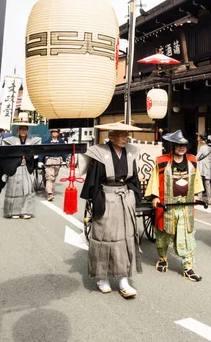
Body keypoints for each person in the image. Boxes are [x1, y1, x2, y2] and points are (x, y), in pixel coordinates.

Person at [80, 123, 142, 297]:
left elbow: (134, 178)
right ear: (111, 137)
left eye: (126, 135)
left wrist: (134, 196)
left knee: (126, 238)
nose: (125, 138)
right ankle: (103, 277)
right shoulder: (100, 153)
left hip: (125, 198)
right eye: (121, 135)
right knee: (105, 238)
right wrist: (98, 203)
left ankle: (124, 279)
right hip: (106, 197)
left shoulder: (130, 153)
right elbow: (93, 181)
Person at [145, 130, 204, 282]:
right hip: (167, 205)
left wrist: (196, 194)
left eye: (184, 145)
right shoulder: (162, 161)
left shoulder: (192, 160)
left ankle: (188, 266)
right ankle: (163, 258)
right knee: (164, 235)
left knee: (187, 235)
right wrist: (155, 196)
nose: (181, 148)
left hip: (185, 206)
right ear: (173, 145)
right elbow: (155, 180)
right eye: (178, 145)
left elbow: (196, 180)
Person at [2, 122, 41, 219]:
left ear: (27, 130)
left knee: (27, 189)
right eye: (21, 129)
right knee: (14, 189)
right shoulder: (11, 140)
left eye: (25, 129)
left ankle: (25, 211)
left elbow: (36, 154)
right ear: (17, 130)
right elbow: (6, 153)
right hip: (16, 168)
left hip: (27, 168)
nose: (23, 131)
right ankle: (12, 212)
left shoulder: (32, 140)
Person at [41, 127, 66, 202]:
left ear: (58, 133)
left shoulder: (61, 142)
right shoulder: (46, 142)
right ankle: (49, 193)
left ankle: (51, 191)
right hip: (49, 159)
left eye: (56, 132)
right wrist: (40, 160)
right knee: (49, 177)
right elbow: (42, 151)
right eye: (53, 132)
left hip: (58, 159)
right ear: (51, 133)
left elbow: (65, 150)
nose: (54, 133)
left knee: (54, 177)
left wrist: (64, 159)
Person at [196, 134, 211, 205]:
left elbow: (197, 157)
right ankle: (209, 200)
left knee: (200, 183)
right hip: (208, 168)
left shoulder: (203, 147)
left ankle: (200, 198)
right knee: (208, 184)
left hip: (201, 167)